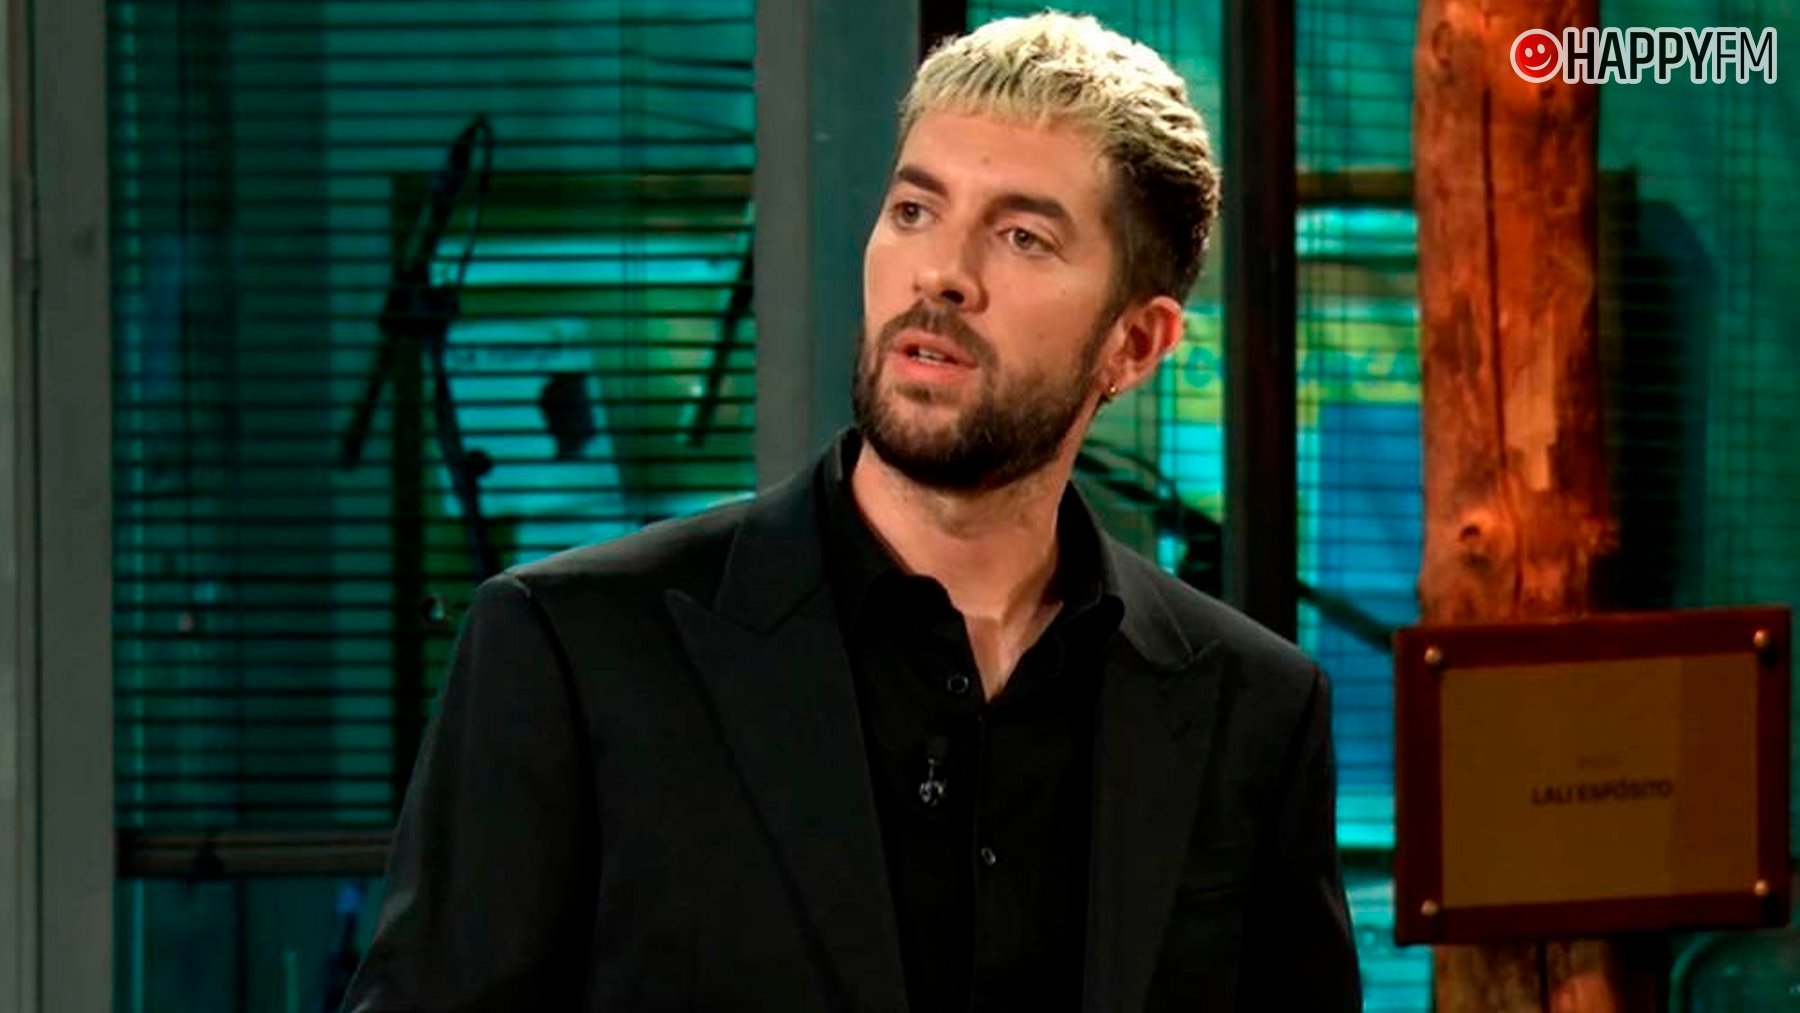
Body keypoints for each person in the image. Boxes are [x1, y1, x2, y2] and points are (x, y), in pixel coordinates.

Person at [341, 12, 1360, 1012]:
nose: (942, 274)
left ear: (1135, 345)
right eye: (915, 210)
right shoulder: (574, 650)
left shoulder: (1252, 709)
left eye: (1022, 236)